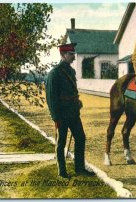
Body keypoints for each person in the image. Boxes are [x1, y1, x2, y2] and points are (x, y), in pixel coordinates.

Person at [46, 43, 95, 178]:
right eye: (70, 55)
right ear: (63, 55)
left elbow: (72, 91)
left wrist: (77, 102)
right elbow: (51, 97)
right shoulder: (54, 73)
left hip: (73, 112)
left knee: (80, 138)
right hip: (61, 114)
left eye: (73, 54)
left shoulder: (71, 71)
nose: (73, 57)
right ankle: (62, 172)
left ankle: (79, 169)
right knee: (61, 143)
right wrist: (55, 117)